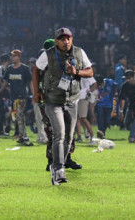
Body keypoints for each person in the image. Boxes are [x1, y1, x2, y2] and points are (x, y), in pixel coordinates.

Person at [32, 27, 93, 186]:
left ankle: (59, 164)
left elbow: (90, 72)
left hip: (72, 100)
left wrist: (76, 71)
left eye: (68, 38)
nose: (66, 42)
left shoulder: (80, 53)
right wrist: (37, 92)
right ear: (57, 41)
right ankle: (58, 169)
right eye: (62, 39)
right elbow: (36, 69)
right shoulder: (48, 54)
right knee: (59, 133)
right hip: (53, 100)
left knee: (69, 137)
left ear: (72, 39)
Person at [0, 49, 33, 146]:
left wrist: (33, 95)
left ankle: (25, 137)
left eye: (14, 56)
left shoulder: (25, 69)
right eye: (11, 56)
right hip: (13, 97)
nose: (12, 58)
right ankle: (21, 136)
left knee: (20, 115)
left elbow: (30, 82)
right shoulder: (9, 68)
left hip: (22, 96)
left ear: (19, 57)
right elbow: (5, 82)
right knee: (17, 117)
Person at [119, 70, 135, 143]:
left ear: (134, 77)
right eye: (126, 78)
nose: (128, 80)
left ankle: (131, 138)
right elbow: (122, 99)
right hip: (131, 106)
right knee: (127, 123)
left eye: (129, 78)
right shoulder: (125, 86)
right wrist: (121, 111)